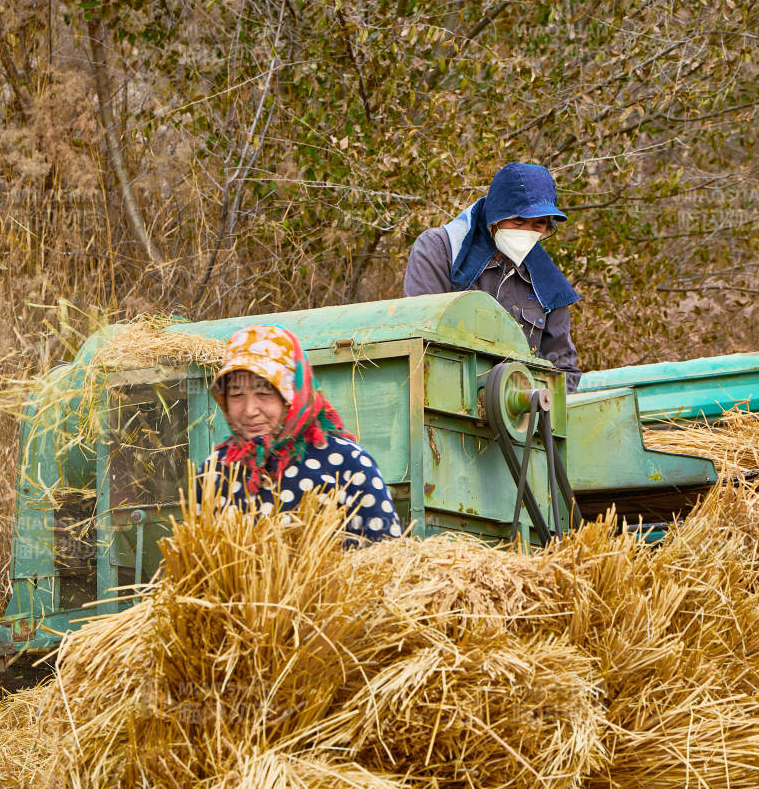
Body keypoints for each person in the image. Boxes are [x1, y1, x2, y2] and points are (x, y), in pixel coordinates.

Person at [200, 324, 402, 543]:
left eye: (263, 393)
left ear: (292, 396)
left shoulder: (347, 464)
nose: (250, 410)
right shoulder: (215, 472)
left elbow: (390, 557)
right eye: (237, 394)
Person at [404, 162, 583, 391]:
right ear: (495, 216)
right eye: (518, 221)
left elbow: (563, 371)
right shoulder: (440, 250)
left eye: (538, 224)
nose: (526, 232)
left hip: (518, 414)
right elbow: (421, 338)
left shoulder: (547, 284)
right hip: (444, 400)